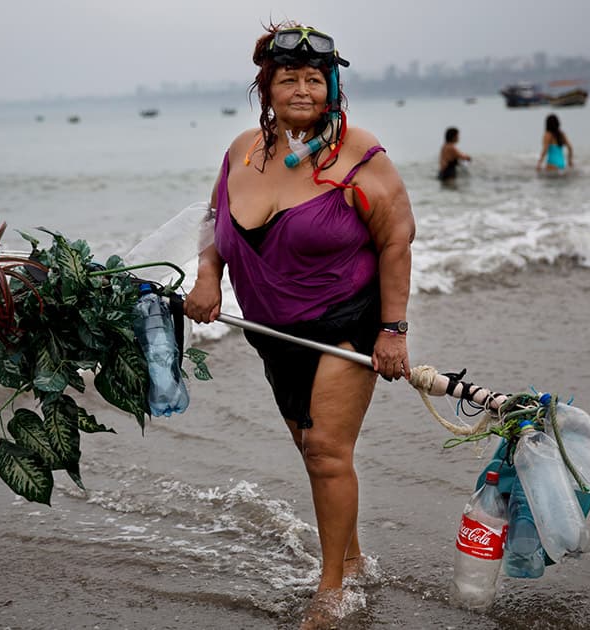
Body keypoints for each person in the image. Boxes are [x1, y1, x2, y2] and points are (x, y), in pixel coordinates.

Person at [183, 21, 415, 625]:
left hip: (346, 320)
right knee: (310, 449)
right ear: (268, 88)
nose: (303, 90)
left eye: (315, 78)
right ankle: (355, 556)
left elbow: (397, 240)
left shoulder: (359, 155)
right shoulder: (242, 150)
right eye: (289, 79)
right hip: (272, 331)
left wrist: (393, 330)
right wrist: (207, 276)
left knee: (325, 452)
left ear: (332, 86)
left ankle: (331, 589)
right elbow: (215, 220)